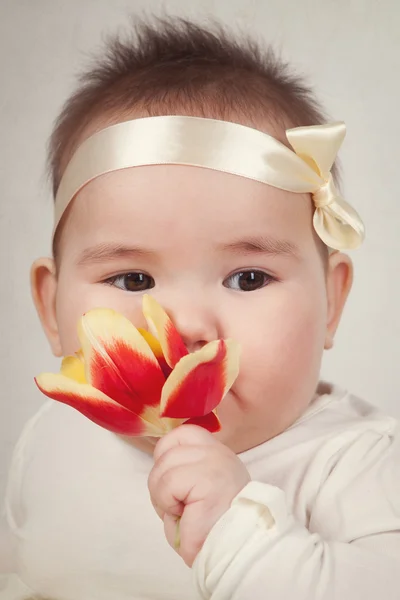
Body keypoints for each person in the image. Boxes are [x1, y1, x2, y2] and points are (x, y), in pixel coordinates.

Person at [1, 15, 399, 600]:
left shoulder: (357, 465)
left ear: (332, 302)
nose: (185, 325)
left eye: (247, 277)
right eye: (133, 278)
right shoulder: (55, 434)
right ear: (49, 305)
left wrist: (238, 532)